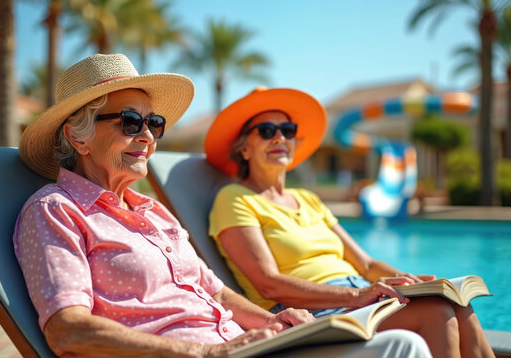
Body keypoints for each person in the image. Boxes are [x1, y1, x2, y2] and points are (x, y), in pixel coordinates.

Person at [13, 54, 432, 358]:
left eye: (153, 123)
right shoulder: (56, 210)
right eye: (130, 122)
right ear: (78, 136)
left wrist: (272, 323)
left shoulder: (153, 213)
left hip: (243, 347)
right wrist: (204, 353)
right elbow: (68, 330)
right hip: (195, 355)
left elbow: (217, 292)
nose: (147, 137)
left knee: (404, 344)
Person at [206, 87, 494, 358]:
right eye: (267, 131)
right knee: (437, 312)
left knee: (457, 302)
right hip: (310, 312)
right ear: (244, 149)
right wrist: (357, 295)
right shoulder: (234, 199)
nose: (280, 138)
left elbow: (366, 265)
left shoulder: (307, 198)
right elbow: (268, 284)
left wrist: (411, 282)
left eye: (288, 130)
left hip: (357, 297)